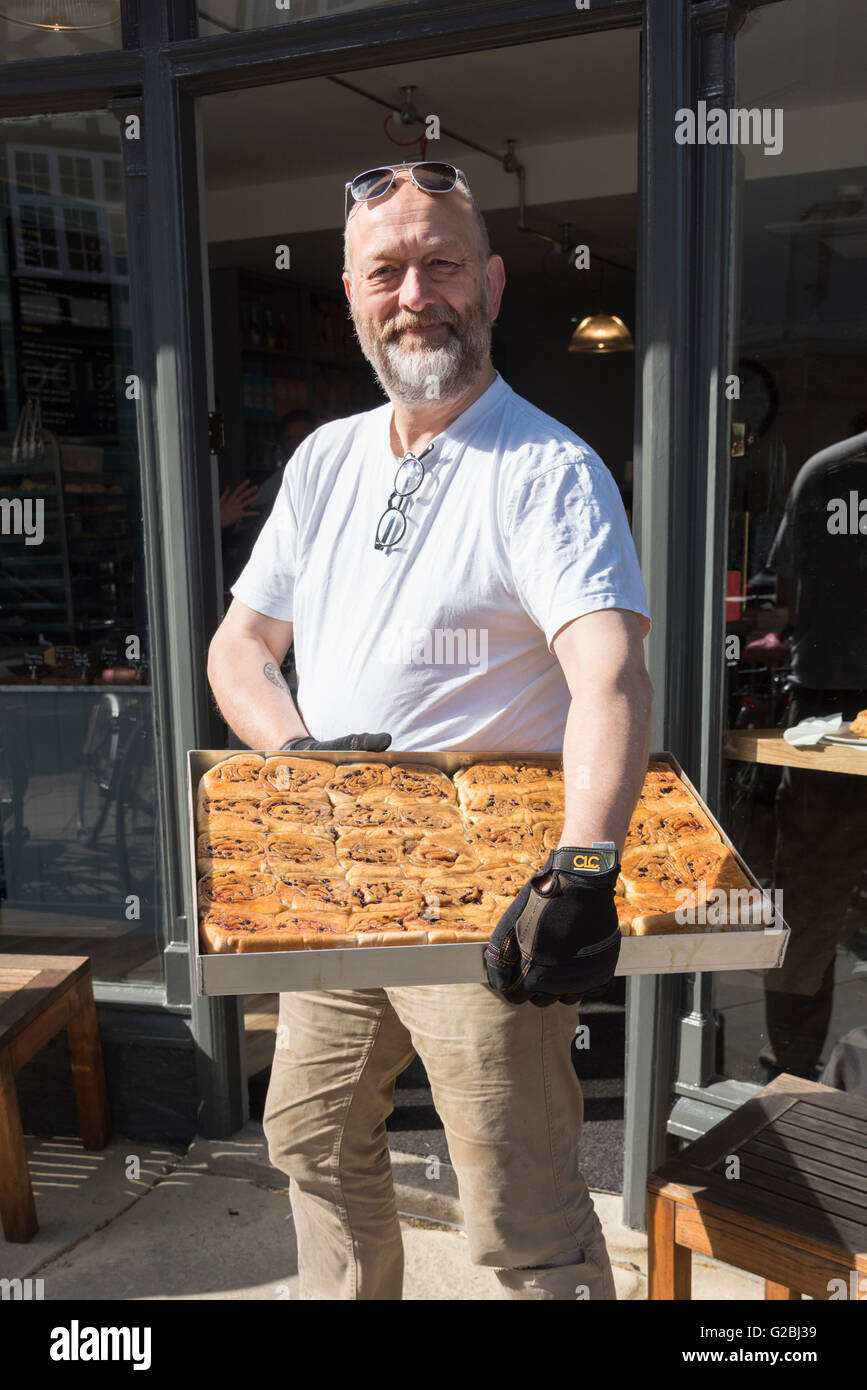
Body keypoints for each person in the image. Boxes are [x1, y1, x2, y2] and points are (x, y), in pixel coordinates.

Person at [207, 160, 653, 1300]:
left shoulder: (547, 469)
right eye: (387, 271)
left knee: (522, 1213)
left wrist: (585, 865)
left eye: (443, 264)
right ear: (350, 294)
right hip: (345, 878)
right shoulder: (324, 461)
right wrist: (296, 757)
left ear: (491, 283)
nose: (417, 293)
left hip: (492, 896)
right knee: (308, 1136)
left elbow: (607, 674)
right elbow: (240, 648)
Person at [758, 415, 867, 1081]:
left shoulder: (826, 472)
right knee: (812, 899)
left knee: (811, 900)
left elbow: (790, 598)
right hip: (827, 708)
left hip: (826, 709)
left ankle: (791, 1073)